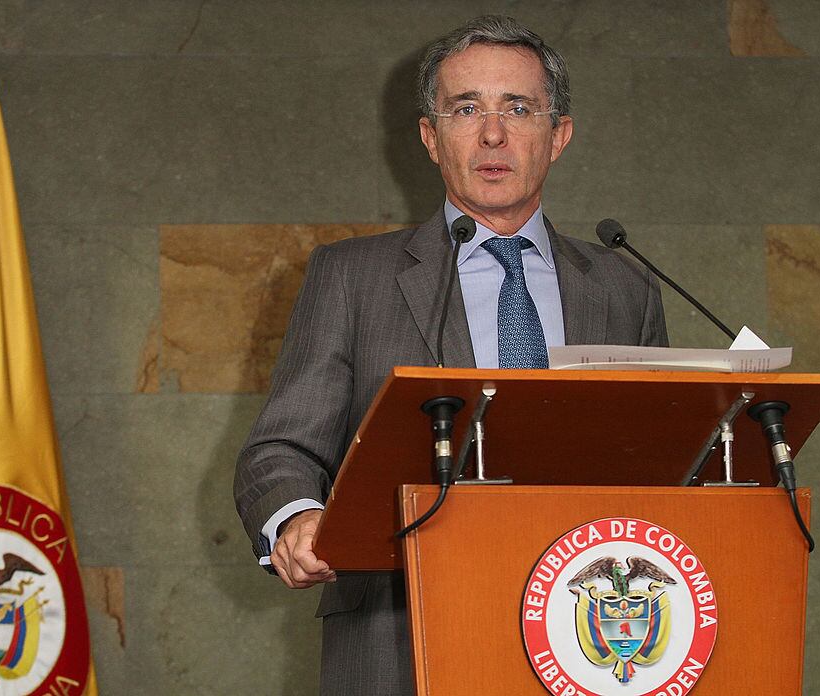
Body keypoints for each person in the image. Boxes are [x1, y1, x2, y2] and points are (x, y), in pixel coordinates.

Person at [234, 15, 667, 696]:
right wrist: (297, 517)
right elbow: (279, 449)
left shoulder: (624, 287)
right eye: (466, 109)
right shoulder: (353, 277)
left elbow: (663, 465)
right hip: (399, 635)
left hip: (587, 641)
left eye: (517, 108)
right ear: (431, 138)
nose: (492, 134)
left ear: (558, 136)